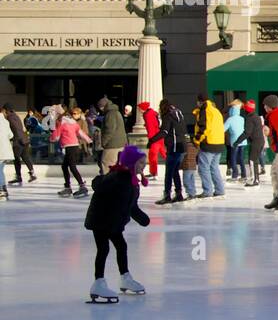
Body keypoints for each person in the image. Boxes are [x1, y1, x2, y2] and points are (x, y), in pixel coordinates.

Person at [85, 145, 151, 304]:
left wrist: (143, 219)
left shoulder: (131, 180)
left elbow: (131, 205)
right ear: (131, 163)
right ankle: (98, 283)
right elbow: (103, 190)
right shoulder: (119, 178)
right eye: (141, 163)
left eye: (144, 163)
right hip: (101, 219)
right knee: (103, 249)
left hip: (112, 221)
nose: (144, 166)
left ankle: (125, 278)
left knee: (121, 246)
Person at [147, 99, 188, 205]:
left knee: (169, 172)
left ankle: (167, 195)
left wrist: (152, 140)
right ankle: (179, 194)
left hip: (174, 147)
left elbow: (164, 132)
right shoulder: (179, 113)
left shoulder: (168, 116)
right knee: (174, 171)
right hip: (182, 146)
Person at [192, 94, 227, 198]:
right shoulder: (216, 111)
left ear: (200, 101)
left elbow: (203, 128)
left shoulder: (205, 111)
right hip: (219, 143)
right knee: (214, 167)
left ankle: (207, 191)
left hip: (209, 143)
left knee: (204, 168)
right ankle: (220, 190)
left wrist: (196, 140)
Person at [53, 107, 91, 197]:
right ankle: (68, 187)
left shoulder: (63, 123)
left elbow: (57, 135)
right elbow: (80, 132)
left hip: (71, 146)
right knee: (65, 166)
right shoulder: (72, 122)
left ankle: (82, 186)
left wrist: (52, 138)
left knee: (72, 167)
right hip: (72, 146)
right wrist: (88, 140)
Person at [3, 104, 36, 184]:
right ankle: (32, 173)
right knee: (25, 156)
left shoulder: (9, 118)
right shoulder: (15, 116)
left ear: (6, 110)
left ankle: (18, 176)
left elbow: (15, 128)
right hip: (24, 139)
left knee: (16, 158)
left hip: (19, 141)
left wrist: (15, 138)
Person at [237, 100, 266, 187]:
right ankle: (256, 179)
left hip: (256, 142)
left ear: (247, 110)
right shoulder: (256, 116)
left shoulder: (250, 118)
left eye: (245, 109)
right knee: (255, 160)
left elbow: (247, 132)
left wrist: (237, 141)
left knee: (252, 161)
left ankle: (254, 180)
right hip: (260, 141)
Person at [96, 96, 127, 173]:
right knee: (116, 165)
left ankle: (108, 182)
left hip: (112, 145)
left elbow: (109, 130)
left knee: (107, 164)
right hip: (120, 144)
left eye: (100, 107)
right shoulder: (116, 112)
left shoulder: (110, 114)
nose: (100, 109)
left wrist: (103, 142)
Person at [224, 99, 248, 183]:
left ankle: (235, 175)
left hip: (235, 141)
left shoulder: (230, 119)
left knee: (233, 158)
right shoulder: (242, 118)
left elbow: (223, 129)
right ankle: (244, 175)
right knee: (241, 158)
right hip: (243, 141)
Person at [139, 101, 163, 179]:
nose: (139, 110)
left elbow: (151, 128)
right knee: (163, 153)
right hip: (158, 137)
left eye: (139, 108)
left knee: (153, 156)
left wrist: (151, 140)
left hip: (155, 138)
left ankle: (153, 173)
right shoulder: (152, 113)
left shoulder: (148, 115)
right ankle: (177, 165)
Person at [0, 114, 12, 201]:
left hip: (1, 151)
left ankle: (1, 191)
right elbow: (11, 135)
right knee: (0, 171)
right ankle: (4, 189)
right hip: (6, 151)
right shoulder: (5, 121)